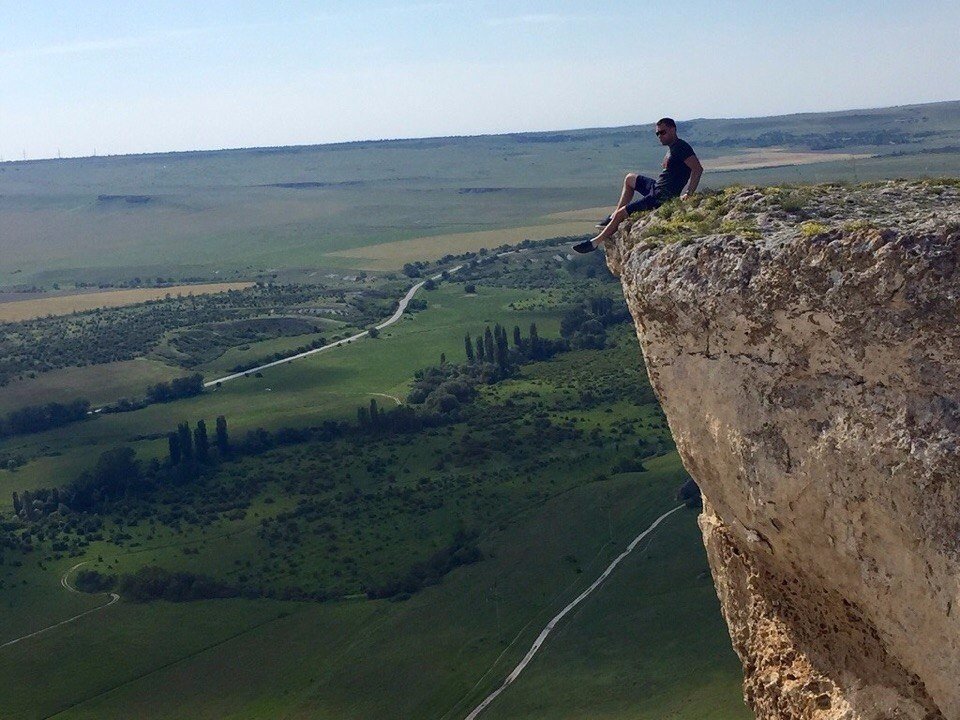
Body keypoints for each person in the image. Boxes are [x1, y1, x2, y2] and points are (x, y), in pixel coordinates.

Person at [573, 118, 702, 253]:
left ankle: (595, 242)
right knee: (629, 178)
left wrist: (689, 193)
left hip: (661, 196)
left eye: (662, 132)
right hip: (657, 187)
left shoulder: (681, 147)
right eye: (657, 134)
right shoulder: (673, 148)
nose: (660, 136)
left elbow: (697, 169)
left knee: (622, 214)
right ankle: (612, 217)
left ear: (673, 129)